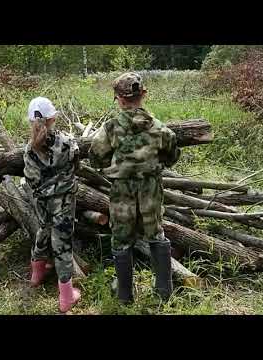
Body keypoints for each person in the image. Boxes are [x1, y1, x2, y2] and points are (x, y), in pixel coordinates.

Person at [89, 72, 180, 304]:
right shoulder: (159, 128)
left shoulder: (110, 128)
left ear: (118, 99)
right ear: (144, 94)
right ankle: (163, 293)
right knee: (156, 235)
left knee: (121, 239)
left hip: (122, 191)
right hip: (151, 187)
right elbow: (172, 155)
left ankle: (125, 296)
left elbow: (96, 157)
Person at [23, 97, 81, 313]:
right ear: (53, 117)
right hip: (64, 200)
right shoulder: (67, 141)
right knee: (62, 243)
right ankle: (66, 297)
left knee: (44, 231)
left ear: (31, 120)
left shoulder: (29, 149)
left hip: (41, 201)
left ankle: (36, 275)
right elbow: (76, 164)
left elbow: (30, 178)